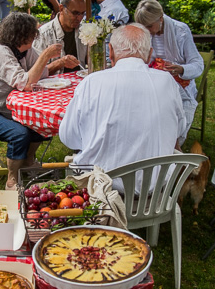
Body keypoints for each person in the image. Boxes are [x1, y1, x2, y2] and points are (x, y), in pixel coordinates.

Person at [59, 23, 186, 187]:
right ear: (149, 55)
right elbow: (180, 131)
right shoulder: (167, 81)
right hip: (155, 192)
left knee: (80, 159)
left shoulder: (92, 82)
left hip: (101, 189)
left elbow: (69, 138)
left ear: (110, 51)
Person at [0, 13, 77, 190]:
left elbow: (39, 73)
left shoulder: (23, 50)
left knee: (40, 121)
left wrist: (58, 62)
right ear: (20, 35)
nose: (35, 36)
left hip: (4, 108)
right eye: (32, 34)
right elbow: (27, 83)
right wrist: (45, 55)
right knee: (19, 133)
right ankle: (12, 180)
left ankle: (27, 163)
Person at [134, 0, 204, 145]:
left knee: (178, 115)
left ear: (161, 18)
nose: (148, 31)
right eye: (144, 27)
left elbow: (198, 65)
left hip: (179, 84)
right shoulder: (146, 32)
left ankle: (172, 145)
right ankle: (149, 144)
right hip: (153, 83)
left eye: (150, 26)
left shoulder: (181, 31)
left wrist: (181, 69)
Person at [33, 0, 87, 68]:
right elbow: (35, 71)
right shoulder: (43, 34)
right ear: (61, 9)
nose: (80, 18)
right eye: (75, 13)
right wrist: (60, 63)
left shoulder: (85, 30)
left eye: (83, 13)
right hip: (55, 80)